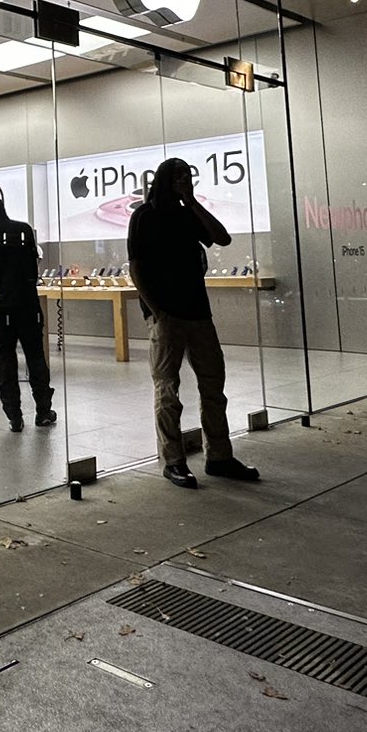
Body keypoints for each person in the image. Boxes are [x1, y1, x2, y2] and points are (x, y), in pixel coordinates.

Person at [127, 157, 259, 489]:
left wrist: (192, 202)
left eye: (189, 176)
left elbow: (221, 237)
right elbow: (137, 267)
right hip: (166, 316)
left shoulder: (188, 214)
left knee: (213, 386)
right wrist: (156, 311)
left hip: (199, 313)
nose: (185, 181)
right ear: (163, 180)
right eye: (179, 176)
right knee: (168, 390)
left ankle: (219, 456)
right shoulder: (144, 216)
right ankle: (173, 461)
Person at [0, 194, 56, 430]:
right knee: (36, 357)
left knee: (6, 362)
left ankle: (14, 416)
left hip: (1, 307)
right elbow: (32, 268)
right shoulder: (23, 230)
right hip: (28, 304)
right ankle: (43, 410)